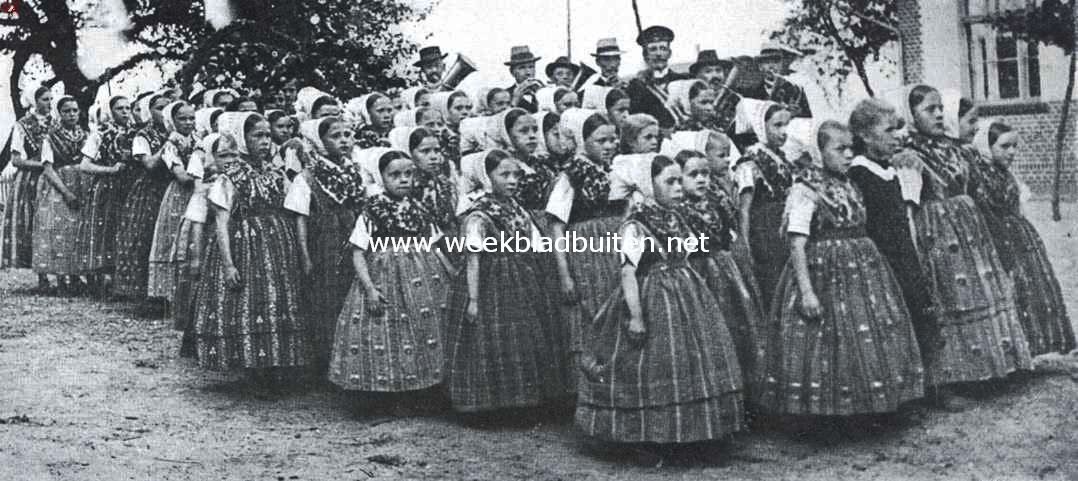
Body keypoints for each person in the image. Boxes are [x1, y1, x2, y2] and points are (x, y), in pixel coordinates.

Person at [757, 120, 925, 416]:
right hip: (824, 270)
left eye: (851, 148)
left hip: (863, 267)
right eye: (840, 149)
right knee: (830, 339)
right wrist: (807, 292)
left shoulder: (849, 182)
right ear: (818, 151)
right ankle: (833, 414)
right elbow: (796, 242)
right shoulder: (806, 187)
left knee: (867, 333)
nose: (848, 155)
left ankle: (871, 406)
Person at [576, 153, 744, 446]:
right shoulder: (635, 226)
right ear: (648, 184)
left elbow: (691, 252)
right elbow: (628, 273)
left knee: (691, 359)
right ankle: (650, 436)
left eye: (681, 180)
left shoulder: (676, 217)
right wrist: (637, 317)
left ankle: (695, 432)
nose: (679, 187)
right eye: (670, 181)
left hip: (685, 292)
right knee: (653, 363)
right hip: (651, 297)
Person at [887, 84, 1031, 409]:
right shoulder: (909, 156)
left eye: (940, 108)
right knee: (948, 299)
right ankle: (946, 383)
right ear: (911, 115)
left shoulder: (955, 148)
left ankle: (987, 368)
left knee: (980, 292)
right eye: (929, 109)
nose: (938, 114)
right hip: (937, 234)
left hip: (968, 228)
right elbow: (908, 207)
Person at [444, 149, 567, 413]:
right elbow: (474, 258)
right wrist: (474, 299)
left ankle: (525, 399)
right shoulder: (479, 215)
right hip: (492, 279)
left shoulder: (517, 208)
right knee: (494, 336)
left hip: (522, 276)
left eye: (516, 175)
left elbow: (535, 242)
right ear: (486, 177)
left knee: (523, 334)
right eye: (504, 175)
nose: (512, 181)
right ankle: (494, 404)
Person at [328, 147, 451, 411]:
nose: (404, 180)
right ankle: (383, 399)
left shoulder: (419, 207)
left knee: (423, 332)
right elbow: (358, 253)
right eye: (395, 175)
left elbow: (436, 243)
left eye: (408, 174)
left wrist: (451, 273)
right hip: (383, 276)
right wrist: (369, 289)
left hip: (423, 277)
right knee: (385, 333)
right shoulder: (373, 209)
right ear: (381, 177)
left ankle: (419, 395)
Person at [189, 112, 311, 376]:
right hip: (244, 246)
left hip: (278, 245)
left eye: (268, 135)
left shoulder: (277, 172)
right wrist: (229, 264)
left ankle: (275, 363)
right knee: (248, 301)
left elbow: (292, 206)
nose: (266, 141)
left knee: (277, 299)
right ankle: (250, 366)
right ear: (242, 139)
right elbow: (221, 222)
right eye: (258, 136)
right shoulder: (230, 176)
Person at [846, 98, 942, 363]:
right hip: (880, 256)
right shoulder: (859, 173)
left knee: (919, 307)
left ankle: (931, 383)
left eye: (897, 129)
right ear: (865, 135)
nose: (896, 137)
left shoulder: (892, 169)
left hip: (903, 250)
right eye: (888, 131)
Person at [970, 120, 1074, 356]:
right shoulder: (980, 173)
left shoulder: (1005, 174)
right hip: (999, 235)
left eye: (1014, 146)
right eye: (1004, 146)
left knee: (1033, 288)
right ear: (987, 147)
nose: (1012, 152)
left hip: (1020, 236)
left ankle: (1039, 344)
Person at [672, 148, 765, 395]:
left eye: (705, 173)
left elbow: (730, 232)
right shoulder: (676, 210)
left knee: (737, 322)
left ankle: (743, 390)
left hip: (724, 268)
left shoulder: (717, 200)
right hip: (696, 271)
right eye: (693, 174)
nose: (702, 179)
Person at [285, 117, 366, 369]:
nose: (344, 140)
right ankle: (327, 361)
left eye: (347, 134)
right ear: (319, 142)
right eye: (335, 136)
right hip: (324, 244)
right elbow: (300, 218)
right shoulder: (308, 177)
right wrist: (306, 257)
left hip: (354, 241)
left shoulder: (355, 171)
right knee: (326, 300)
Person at [546, 109, 623, 368]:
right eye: (601, 141)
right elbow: (556, 227)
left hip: (615, 249)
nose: (610, 146)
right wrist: (565, 274)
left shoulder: (613, 172)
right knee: (595, 312)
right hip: (587, 252)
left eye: (613, 140)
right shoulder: (571, 177)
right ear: (582, 141)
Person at [733, 99, 797, 306]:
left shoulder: (784, 158)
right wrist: (745, 244)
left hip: (785, 225)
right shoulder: (751, 161)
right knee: (773, 283)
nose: (784, 132)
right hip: (765, 230)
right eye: (777, 125)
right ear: (762, 126)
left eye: (787, 125)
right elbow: (744, 209)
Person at [113, 92, 174, 301]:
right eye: (159, 108)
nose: (165, 112)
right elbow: (149, 164)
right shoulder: (142, 136)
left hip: (175, 188)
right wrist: (169, 144)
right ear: (149, 111)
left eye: (168, 106)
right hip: (151, 190)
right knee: (146, 236)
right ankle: (145, 293)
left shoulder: (182, 131)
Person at [31, 96, 91, 294]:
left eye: (75, 110)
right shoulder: (50, 138)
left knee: (76, 230)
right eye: (67, 111)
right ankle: (57, 277)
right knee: (57, 228)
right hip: (58, 184)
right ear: (60, 113)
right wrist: (66, 193)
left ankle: (74, 276)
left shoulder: (85, 135)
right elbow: (47, 168)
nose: (72, 114)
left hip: (81, 182)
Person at [2, 86, 57, 291]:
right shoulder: (22, 125)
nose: (49, 103)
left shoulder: (57, 122)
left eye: (51, 99)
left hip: (55, 176)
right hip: (32, 179)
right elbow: (16, 160)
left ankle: (65, 274)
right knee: (35, 223)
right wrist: (43, 165)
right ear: (34, 101)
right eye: (44, 99)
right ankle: (42, 277)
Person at [77, 95, 134, 284]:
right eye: (120, 108)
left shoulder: (135, 134)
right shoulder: (99, 134)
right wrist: (110, 170)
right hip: (106, 188)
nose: (125, 112)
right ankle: (100, 278)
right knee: (104, 230)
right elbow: (85, 165)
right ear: (111, 112)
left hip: (129, 187)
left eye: (128, 108)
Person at [147, 101, 200, 303]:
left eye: (191, 118)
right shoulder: (170, 145)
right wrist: (203, 175)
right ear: (172, 120)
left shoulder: (199, 140)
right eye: (182, 118)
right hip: (181, 194)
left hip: (198, 192)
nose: (188, 122)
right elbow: (181, 175)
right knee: (175, 238)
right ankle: (172, 294)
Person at [390, 126, 458, 235]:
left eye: (436, 150)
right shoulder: (401, 187)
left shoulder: (443, 183)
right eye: (425, 151)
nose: (434, 157)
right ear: (408, 153)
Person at [626, 26, 689, 131]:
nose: (658, 54)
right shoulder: (635, 88)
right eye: (653, 49)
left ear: (669, 53)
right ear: (645, 55)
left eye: (663, 48)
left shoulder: (684, 80)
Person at [756, 42, 812, 119]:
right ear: (760, 66)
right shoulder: (752, 92)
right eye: (767, 62)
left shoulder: (796, 89)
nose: (771, 66)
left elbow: (808, 119)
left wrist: (798, 113)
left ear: (781, 64)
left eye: (775, 62)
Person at [505, 46, 544, 114]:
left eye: (531, 67)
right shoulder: (505, 95)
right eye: (522, 68)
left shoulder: (544, 90)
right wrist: (514, 101)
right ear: (512, 72)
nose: (528, 72)